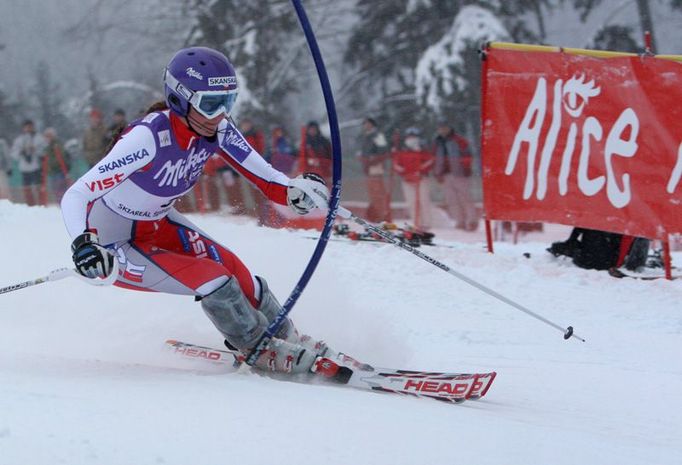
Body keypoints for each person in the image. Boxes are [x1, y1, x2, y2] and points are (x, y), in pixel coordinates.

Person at [61, 47, 333, 375]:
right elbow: (77, 195)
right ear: (180, 99)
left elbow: (267, 178)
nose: (220, 114)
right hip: (115, 244)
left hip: (157, 224)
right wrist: (83, 245)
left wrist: (295, 192)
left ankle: (287, 336)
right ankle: (257, 348)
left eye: (228, 102)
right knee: (213, 278)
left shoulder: (216, 129)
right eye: (210, 104)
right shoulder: (147, 138)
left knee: (237, 272)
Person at [433, 122, 478, 231]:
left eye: (445, 128)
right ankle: (460, 221)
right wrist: (437, 173)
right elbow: (435, 158)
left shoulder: (459, 140)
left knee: (465, 198)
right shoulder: (437, 142)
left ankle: (472, 220)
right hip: (445, 174)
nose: (443, 130)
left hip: (459, 173)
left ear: (449, 128)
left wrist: (466, 168)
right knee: (451, 200)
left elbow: (468, 155)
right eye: (440, 128)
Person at [392, 128, 435, 230]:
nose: (412, 139)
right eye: (409, 137)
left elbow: (430, 161)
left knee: (424, 200)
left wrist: (420, 171)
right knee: (411, 202)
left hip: (421, 179)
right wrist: (406, 173)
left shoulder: (424, 150)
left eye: (414, 137)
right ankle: (417, 222)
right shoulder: (402, 151)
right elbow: (396, 165)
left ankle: (426, 223)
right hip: (407, 180)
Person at [357, 118, 390, 222]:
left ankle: (381, 214)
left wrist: (372, 158)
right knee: (372, 191)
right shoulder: (365, 137)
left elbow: (383, 150)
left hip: (376, 166)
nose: (366, 126)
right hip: (368, 166)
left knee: (378, 191)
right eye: (364, 124)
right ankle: (376, 214)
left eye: (368, 124)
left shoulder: (378, 135)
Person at [10, 119, 45, 206]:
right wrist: (22, 151)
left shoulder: (39, 138)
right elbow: (14, 154)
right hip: (24, 168)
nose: (29, 129)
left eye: (30, 126)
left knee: (38, 187)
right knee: (27, 189)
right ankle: (30, 205)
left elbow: (45, 151)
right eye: (27, 127)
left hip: (36, 166)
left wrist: (35, 150)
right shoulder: (19, 140)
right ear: (23, 128)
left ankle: (41, 204)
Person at [41, 128, 72, 204]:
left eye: (49, 136)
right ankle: (60, 203)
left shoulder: (57, 145)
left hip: (59, 171)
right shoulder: (47, 147)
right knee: (55, 190)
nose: (48, 138)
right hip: (52, 172)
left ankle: (65, 203)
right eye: (46, 136)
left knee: (60, 189)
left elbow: (61, 157)